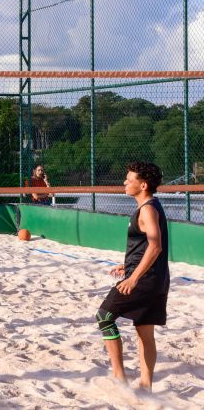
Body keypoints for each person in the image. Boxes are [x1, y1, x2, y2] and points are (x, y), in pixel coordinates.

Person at [95, 162, 169, 392]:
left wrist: (133, 277)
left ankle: (119, 376)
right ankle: (146, 387)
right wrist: (127, 264)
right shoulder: (151, 205)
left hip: (144, 280)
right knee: (145, 331)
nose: (125, 183)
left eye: (129, 179)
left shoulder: (147, 209)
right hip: (157, 279)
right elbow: (146, 245)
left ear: (143, 184)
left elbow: (155, 246)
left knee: (104, 316)